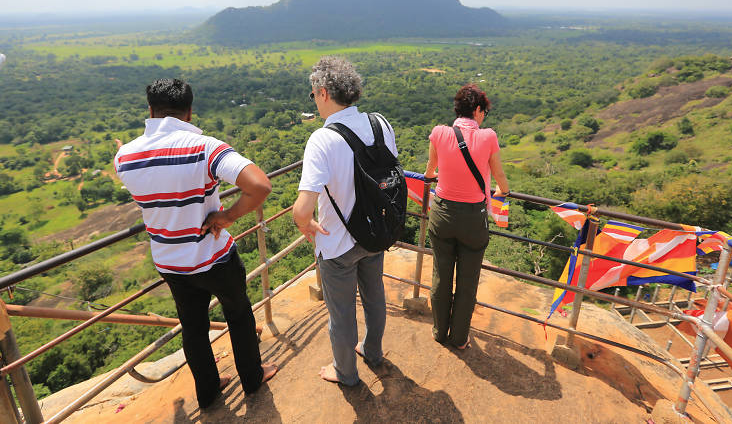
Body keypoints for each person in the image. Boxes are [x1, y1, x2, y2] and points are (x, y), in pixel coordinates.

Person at [114, 78, 277, 409]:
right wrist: (228, 216)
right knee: (239, 314)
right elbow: (259, 186)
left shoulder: (124, 157)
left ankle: (209, 390)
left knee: (193, 328)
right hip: (213, 256)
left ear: (150, 111)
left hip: (170, 263)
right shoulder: (204, 147)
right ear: (189, 112)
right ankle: (252, 377)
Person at [292, 57, 397, 386]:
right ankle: (374, 353)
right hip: (376, 232)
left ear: (323, 93)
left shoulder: (322, 139)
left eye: (313, 96)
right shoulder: (381, 123)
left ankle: (345, 372)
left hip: (337, 242)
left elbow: (301, 210)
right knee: (374, 296)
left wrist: (305, 225)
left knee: (341, 314)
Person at [423, 83, 510, 349]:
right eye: (483, 111)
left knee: (441, 275)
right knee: (467, 280)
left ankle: (439, 332)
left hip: (442, 213)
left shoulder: (439, 133)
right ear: (476, 110)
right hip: (473, 217)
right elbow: (502, 182)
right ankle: (459, 338)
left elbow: (429, 173)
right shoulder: (488, 137)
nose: (484, 116)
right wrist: (500, 191)